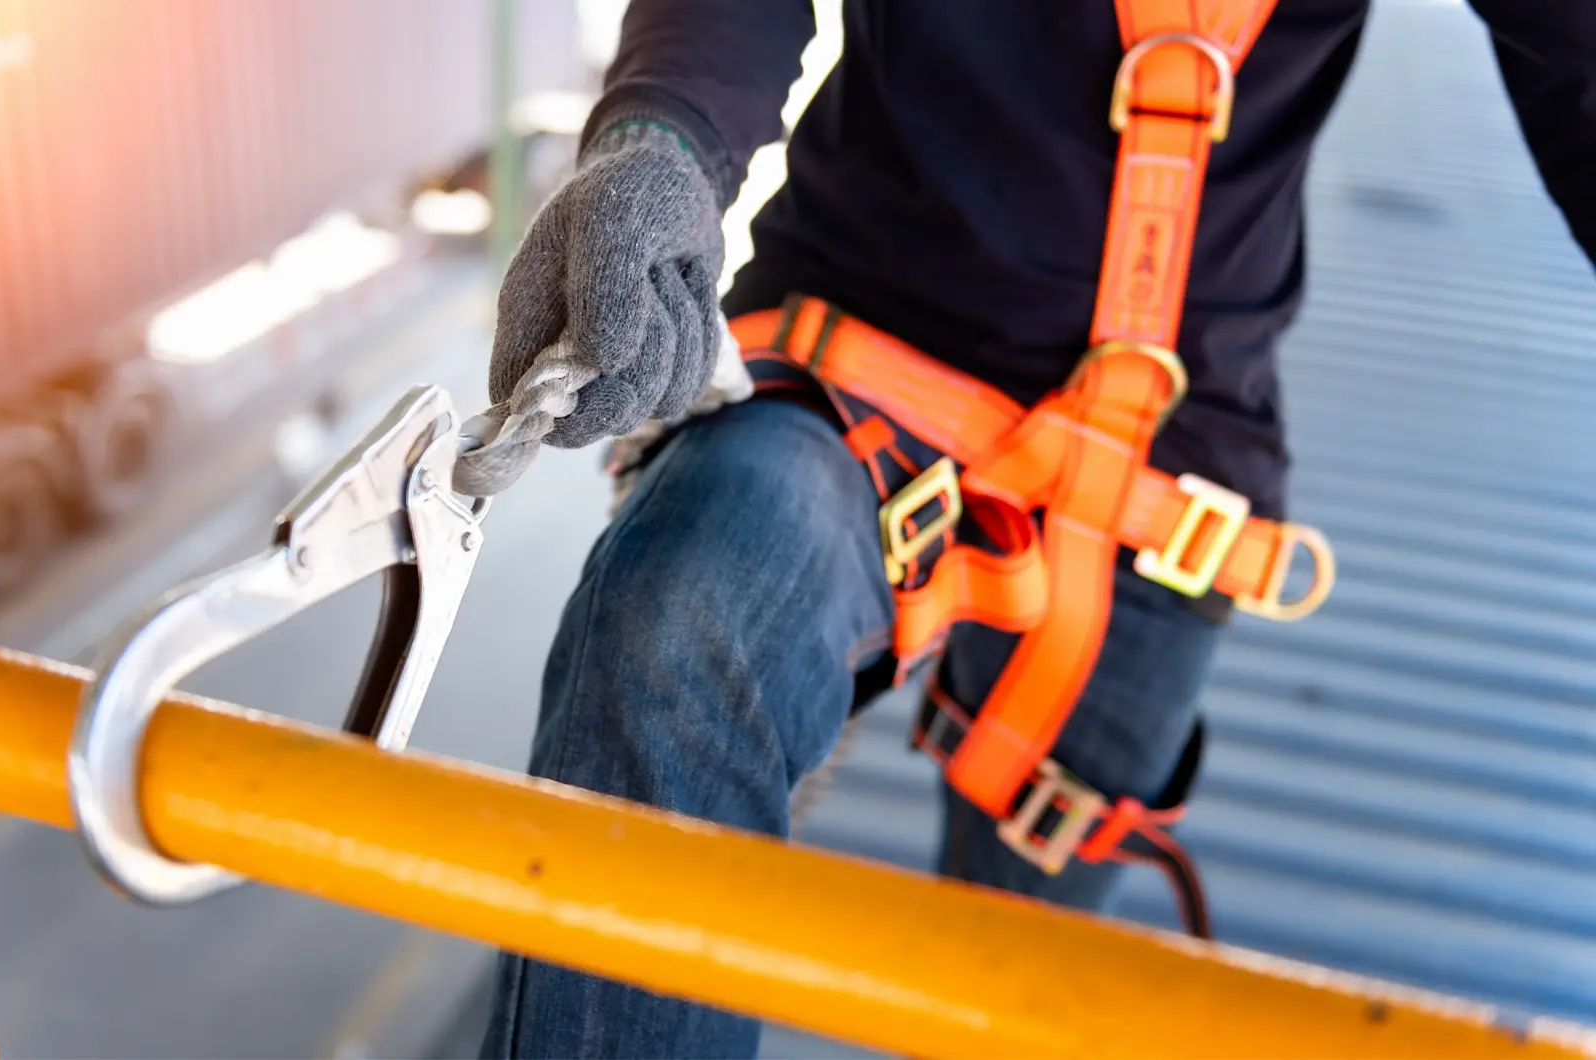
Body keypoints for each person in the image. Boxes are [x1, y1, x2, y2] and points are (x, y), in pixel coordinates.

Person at [459, 1, 1595, 1056]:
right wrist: (659, 143)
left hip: (1167, 473)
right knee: (676, 620)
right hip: (865, 344)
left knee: (1021, 999)